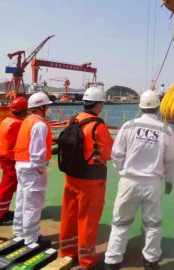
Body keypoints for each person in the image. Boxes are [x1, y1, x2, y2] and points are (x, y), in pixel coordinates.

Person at [104, 90, 174, 270]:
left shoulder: (128, 126)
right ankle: (151, 260)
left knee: (121, 221)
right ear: (158, 107)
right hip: (153, 184)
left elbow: (116, 154)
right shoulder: (166, 130)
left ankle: (112, 260)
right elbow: (169, 161)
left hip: (128, 181)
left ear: (141, 106)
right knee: (153, 224)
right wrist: (169, 181)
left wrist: (122, 170)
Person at [59, 87, 114, 270]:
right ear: (98, 105)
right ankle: (88, 260)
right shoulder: (98, 125)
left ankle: (67, 252)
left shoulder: (72, 120)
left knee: (69, 216)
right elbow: (108, 153)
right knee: (87, 220)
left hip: (71, 176)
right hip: (91, 180)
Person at [13, 92, 53, 245]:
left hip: (21, 165)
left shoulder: (27, 120)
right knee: (33, 205)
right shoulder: (40, 125)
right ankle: (32, 238)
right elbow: (37, 152)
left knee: (22, 201)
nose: (48, 109)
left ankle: (19, 232)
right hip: (33, 169)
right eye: (47, 106)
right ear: (40, 107)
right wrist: (40, 168)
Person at [0, 97, 28, 226]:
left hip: (5, 157)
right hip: (10, 159)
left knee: (7, 185)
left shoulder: (6, 121)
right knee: (8, 187)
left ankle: (4, 211)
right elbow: (18, 143)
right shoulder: (17, 124)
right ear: (24, 110)